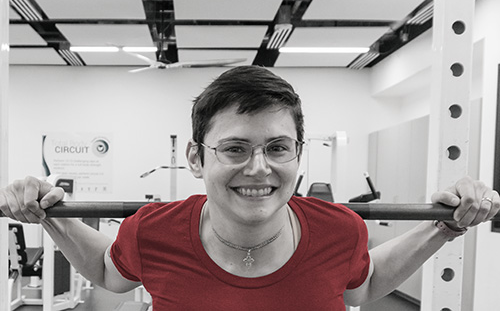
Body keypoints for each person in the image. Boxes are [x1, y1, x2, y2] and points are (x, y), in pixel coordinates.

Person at [1, 66, 499, 310]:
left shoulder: (340, 229)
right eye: (235, 149)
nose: (259, 168)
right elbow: (111, 273)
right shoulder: (154, 230)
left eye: (278, 148)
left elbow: (363, 285)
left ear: (297, 154)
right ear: (197, 159)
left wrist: (445, 228)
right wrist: (47, 212)